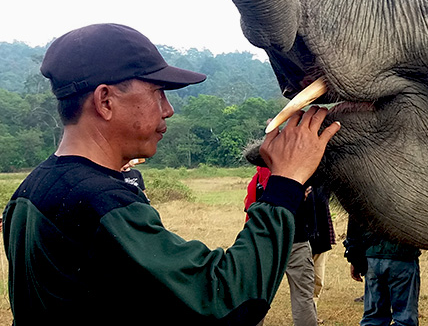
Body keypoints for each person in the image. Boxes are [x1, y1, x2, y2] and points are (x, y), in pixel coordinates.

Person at [2, 23, 339, 325]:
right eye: (158, 92)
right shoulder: (101, 203)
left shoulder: (29, 191)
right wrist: (285, 184)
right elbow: (225, 301)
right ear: (105, 101)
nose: (169, 109)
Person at [244, 165, 318, 326]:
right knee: (303, 297)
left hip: (266, 244)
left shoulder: (258, 181)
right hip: (296, 243)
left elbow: (250, 213)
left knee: (257, 296)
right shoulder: (299, 176)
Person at [343, 215, 421, 326]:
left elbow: (354, 218)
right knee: (404, 318)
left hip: (372, 256)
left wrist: (354, 258)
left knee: (373, 319)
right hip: (402, 256)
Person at [308, 184, 336, 314]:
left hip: (320, 239)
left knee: (318, 279)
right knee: (303, 280)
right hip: (301, 240)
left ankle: (312, 312)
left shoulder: (323, 185)